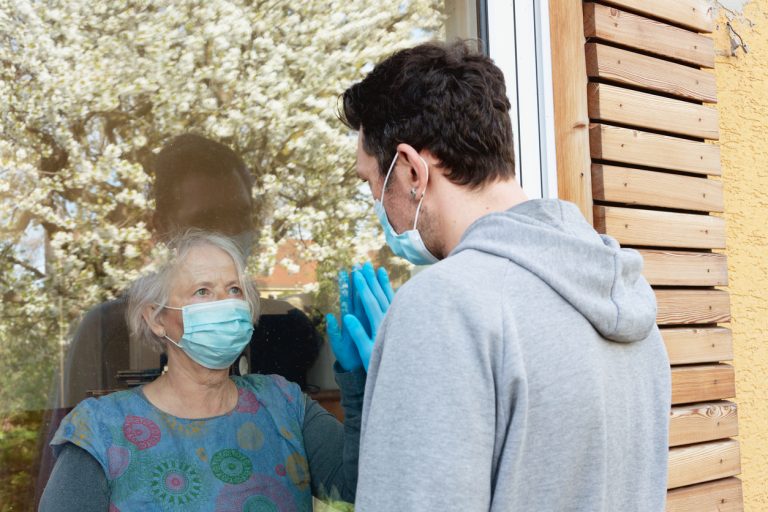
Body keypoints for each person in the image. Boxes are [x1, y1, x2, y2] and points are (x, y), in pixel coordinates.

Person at [334, 40, 671, 511]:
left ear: (411, 170)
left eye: (372, 183)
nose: (376, 206)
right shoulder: (629, 299)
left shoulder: (444, 305)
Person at [39, 230, 364, 511]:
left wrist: (360, 384)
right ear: (156, 318)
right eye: (203, 291)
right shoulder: (100, 430)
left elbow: (359, 486)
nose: (225, 303)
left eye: (234, 290)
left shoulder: (285, 404)